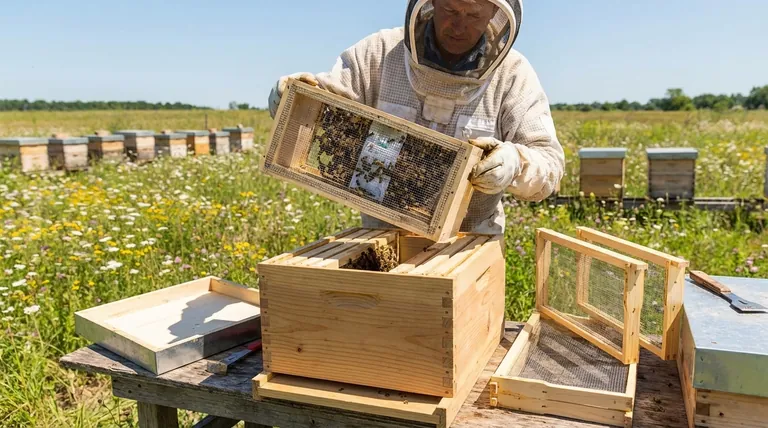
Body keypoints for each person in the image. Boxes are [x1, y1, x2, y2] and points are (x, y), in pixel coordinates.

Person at [268, 0, 564, 235]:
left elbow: (549, 163)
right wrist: (292, 96)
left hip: (469, 241)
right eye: (450, 9)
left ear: (494, 15)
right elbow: (325, 101)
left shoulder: (513, 75)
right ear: (431, 3)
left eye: (473, 15)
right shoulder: (378, 52)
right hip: (381, 236)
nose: (459, 25)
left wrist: (515, 163)